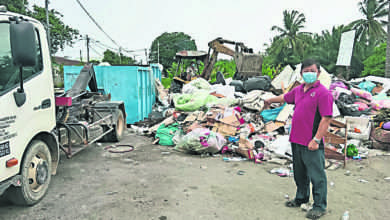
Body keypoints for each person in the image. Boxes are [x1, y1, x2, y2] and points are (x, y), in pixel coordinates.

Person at [265, 59, 333, 219]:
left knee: (317, 176)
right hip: (296, 139)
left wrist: (316, 140)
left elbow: (326, 119)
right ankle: (301, 197)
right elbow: (285, 98)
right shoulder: (299, 90)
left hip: (311, 142)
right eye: (306, 71)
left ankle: (319, 206)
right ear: (301, 73)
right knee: (299, 173)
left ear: (319, 73)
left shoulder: (323, 93)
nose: (309, 73)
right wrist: (269, 100)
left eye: (312, 70)